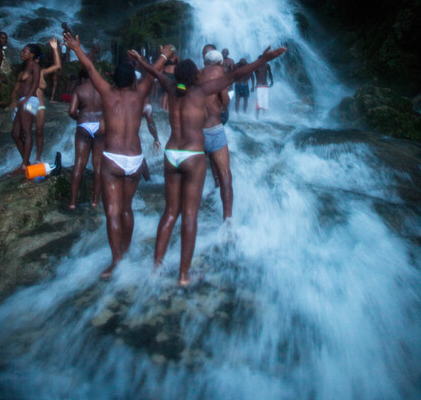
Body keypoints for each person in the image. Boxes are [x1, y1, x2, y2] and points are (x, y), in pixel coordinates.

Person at [130, 44, 286, 286]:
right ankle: (183, 275)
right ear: (196, 76)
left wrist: (142, 59)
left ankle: (156, 269)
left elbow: (154, 72)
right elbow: (233, 76)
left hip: (171, 154)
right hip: (192, 155)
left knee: (170, 212)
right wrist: (263, 59)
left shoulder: (171, 88)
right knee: (190, 214)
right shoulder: (201, 92)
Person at [63, 30, 174, 278]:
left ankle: (116, 261)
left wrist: (76, 48)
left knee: (112, 212)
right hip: (135, 160)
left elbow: (90, 69)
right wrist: (164, 55)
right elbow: (152, 73)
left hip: (112, 159)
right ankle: (127, 249)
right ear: (133, 82)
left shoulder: (107, 94)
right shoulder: (140, 94)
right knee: (126, 209)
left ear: (113, 79)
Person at [201, 48, 232, 220]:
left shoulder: (197, 74)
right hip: (214, 128)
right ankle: (227, 218)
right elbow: (225, 100)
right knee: (225, 173)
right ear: (220, 62)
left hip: (196, 131)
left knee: (194, 172)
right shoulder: (220, 74)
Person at [68, 68, 104, 210]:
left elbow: (71, 111)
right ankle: (95, 201)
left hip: (84, 124)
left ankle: (72, 202)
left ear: (83, 78)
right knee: (98, 165)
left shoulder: (79, 89)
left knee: (79, 164)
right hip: (100, 125)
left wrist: (80, 119)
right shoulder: (102, 88)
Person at [9, 44, 41, 175]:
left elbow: (36, 83)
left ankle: (24, 165)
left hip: (30, 100)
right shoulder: (24, 68)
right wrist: (14, 100)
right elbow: (18, 87)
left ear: (32, 55)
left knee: (26, 132)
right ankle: (26, 162)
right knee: (15, 134)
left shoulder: (35, 66)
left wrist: (26, 99)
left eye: (24, 51)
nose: (21, 53)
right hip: (22, 101)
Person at [35, 38, 62, 161]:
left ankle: (38, 158)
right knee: (23, 131)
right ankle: (25, 160)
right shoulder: (24, 74)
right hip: (28, 105)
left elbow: (57, 66)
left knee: (39, 132)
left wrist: (55, 49)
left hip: (39, 106)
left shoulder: (41, 72)